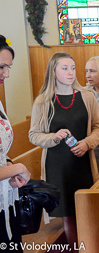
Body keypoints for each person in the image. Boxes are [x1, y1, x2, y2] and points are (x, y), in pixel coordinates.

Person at [29, 52, 99, 251]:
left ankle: (89, 247)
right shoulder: (43, 101)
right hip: (58, 166)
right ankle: (76, 248)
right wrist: (52, 137)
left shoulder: (87, 96)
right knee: (68, 214)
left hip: (82, 164)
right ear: (53, 72)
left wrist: (87, 143)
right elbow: (34, 135)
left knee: (86, 211)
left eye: (72, 68)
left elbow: (98, 128)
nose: (71, 72)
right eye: (65, 68)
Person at [0, 35, 31, 252]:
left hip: (5, 196)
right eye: (2, 67)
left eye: (9, 67)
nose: (7, 74)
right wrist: (18, 167)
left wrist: (9, 170)